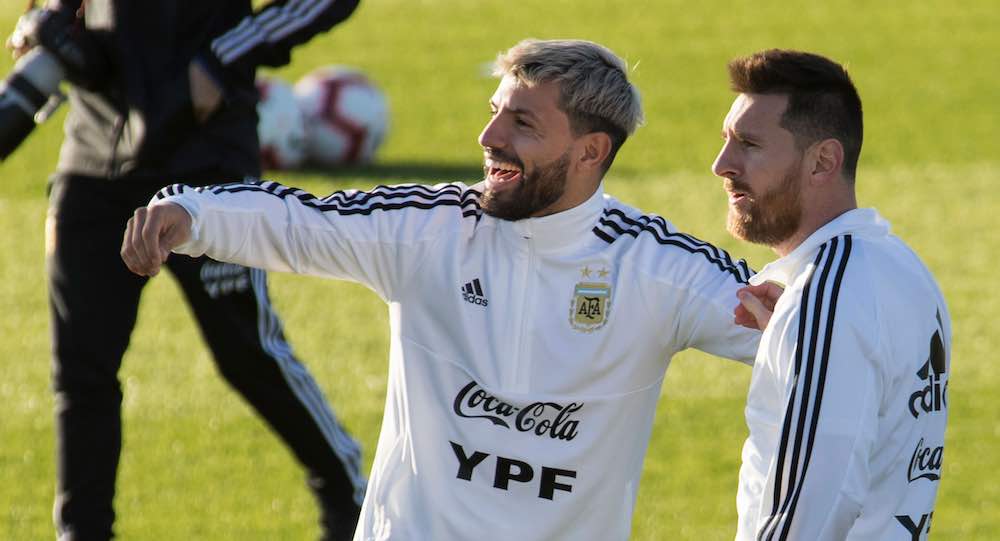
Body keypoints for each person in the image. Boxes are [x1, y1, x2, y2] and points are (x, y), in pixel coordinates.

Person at [122, 38, 761, 540]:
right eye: (494, 115)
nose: (489, 140)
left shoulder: (656, 267)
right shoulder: (432, 229)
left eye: (523, 124)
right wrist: (193, 213)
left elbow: (791, 326)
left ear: (591, 151)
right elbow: (303, 221)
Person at [7, 1, 367, 539]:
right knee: (81, 373)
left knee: (246, 353)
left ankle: (346, 494)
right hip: (94, 156)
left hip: (204, 159)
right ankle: (83, 532)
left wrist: (225, 57)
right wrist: (47, 18)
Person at [713, 49, 952, 540]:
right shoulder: (899, 266)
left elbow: (813, 507)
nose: (723, 165)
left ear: (823, 160)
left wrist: (811, 320)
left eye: (749, 144)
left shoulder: (831, 291)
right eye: (726, 141)